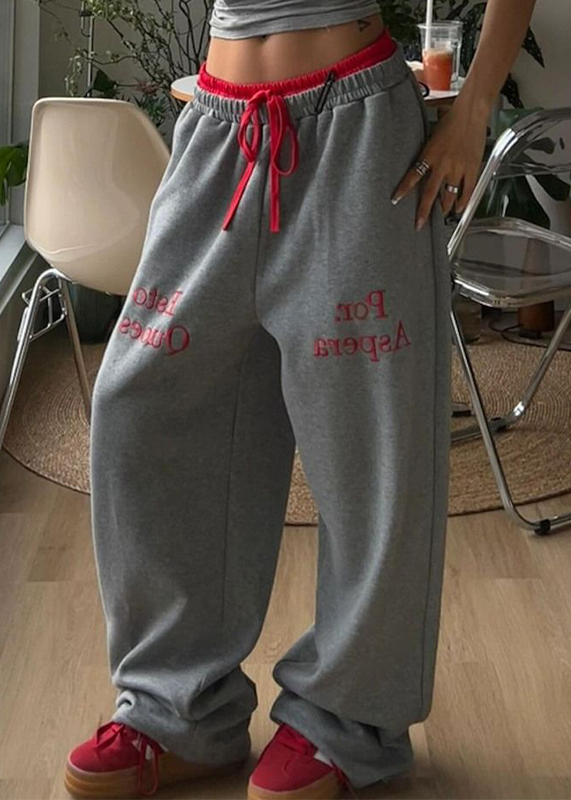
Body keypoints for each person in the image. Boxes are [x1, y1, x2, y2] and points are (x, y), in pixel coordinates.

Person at [63, 0, 537, 798]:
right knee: (138, 406)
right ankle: (177, 709)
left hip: (358, 131)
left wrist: (475, 108)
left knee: (369, 442)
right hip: (219, 125)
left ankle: (346, 720)